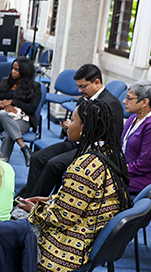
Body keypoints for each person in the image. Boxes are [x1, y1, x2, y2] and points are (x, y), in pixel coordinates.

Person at [17, 100, 130, 272]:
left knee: (12, 222)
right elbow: (85, 201)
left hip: (68, 246)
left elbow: (61, 218)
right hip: (89, 234)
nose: (68, 124)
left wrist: (33, 209)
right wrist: (51, 199)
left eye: (73, 120)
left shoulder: (85, 165)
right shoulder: (111, 153)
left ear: (86, 128)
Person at [19, 64, 124, 199]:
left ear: (97, 82)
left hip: (93, 149)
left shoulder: (111, 104)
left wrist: (80, 130)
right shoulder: (83, 99)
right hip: (75, 142)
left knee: (54, 164)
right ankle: (29, 198)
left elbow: (112, 136)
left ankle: (34, 203)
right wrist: (69, 128)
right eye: (78, 86)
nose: (80, 90)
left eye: (83, 86)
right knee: (37, 158)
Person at [0, 56, 41, 165]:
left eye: (17, 70)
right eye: (12, 68)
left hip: (21, 119)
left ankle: (1, 165)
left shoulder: (34, 87)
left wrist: (13, 102)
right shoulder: (5, 82)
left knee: (8, 135)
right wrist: (2, 105)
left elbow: (31, 108)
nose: (13, 71)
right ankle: (24, 147)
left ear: (25, 71)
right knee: (3, 115)